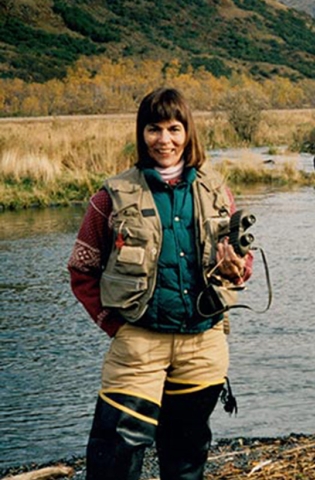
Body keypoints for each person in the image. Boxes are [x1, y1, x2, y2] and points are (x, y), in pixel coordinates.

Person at [67, 87, 253, 480]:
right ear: (142, 133)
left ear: (188, 133)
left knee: (186, 459)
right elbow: (82, 270)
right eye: (154, 129)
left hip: (203, 346)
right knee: (113, 459)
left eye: (174, 128)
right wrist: (113, 326)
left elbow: (243, 263)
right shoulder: (109, 197)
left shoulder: (217, 190)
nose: (164, 140)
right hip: (138, 345)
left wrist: (238, 267)